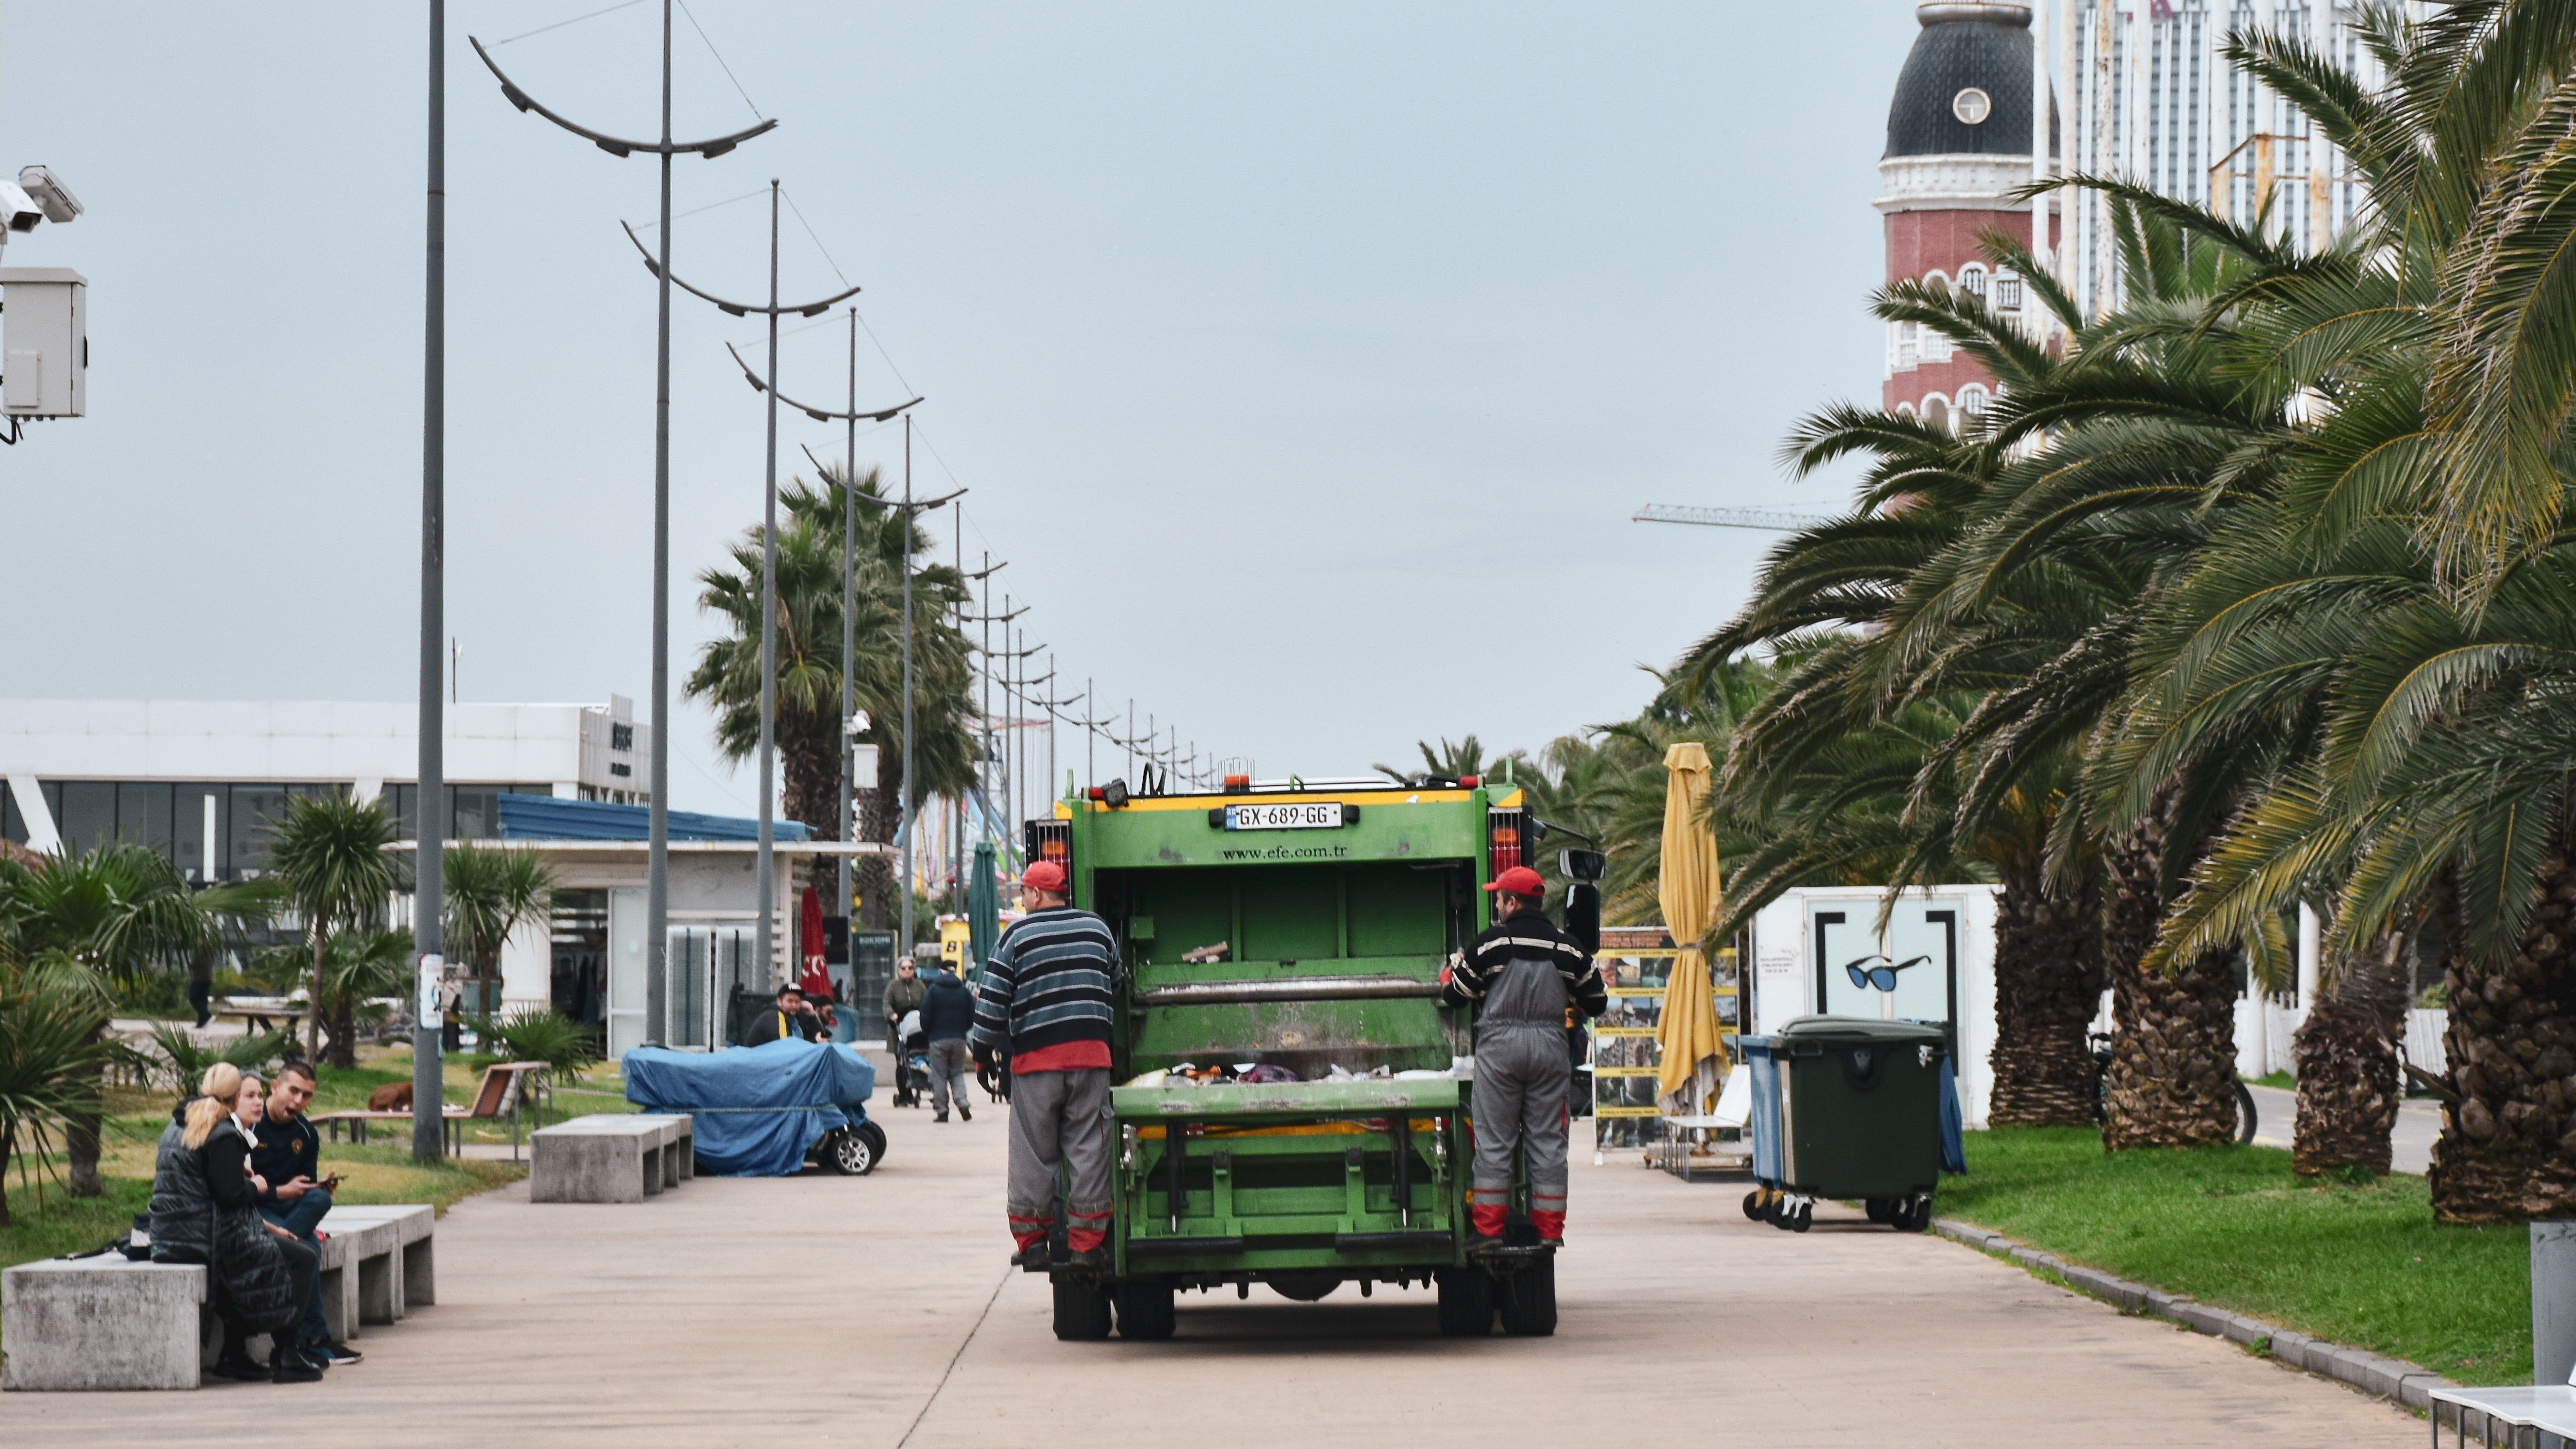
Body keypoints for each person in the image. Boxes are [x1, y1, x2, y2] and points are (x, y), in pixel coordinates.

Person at [1440, 863, 1606, 1248]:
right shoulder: (1568, 947)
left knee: (1495, 1142)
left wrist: (1449, 976)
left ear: (1512, 902)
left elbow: (1455, 997)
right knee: (1548, 1142)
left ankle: (1489, 1232)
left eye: (1498, 898)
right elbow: (1596, 1001)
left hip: (1500, 1049)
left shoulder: (1489, 944)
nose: (1496, 904)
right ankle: (1549, 1232)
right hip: (1550, 1047)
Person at [968, 860, 1118, 1268]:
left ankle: (1033, 1244)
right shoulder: (1097, 929)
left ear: (1035, 894)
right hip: (1091, 1056)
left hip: (1036, 1063)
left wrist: (982, 1054)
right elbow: (1116, 981)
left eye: (1023, 893)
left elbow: (993, 1001)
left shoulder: (1017, 935)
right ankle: (1088, 1246)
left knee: (1034, 1153)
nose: (1022, 899)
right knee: (1089, 1147)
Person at [149, 1063, 324, 1384]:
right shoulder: (223, 1133)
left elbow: (212, 1186)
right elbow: (231, 1197)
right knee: (301, 1258)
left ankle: (234, 1353)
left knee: (266, 1254)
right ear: (233, 1098)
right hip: (206, 1237)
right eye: (251, 1094)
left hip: (172, 1234)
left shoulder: (181, 1122)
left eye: (260, 1094)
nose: (258, 1101)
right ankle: (287, 1352)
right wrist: (258, 1186)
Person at [253, 1060, 360, 1367]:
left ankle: (291, 1239)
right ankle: (315, 1339)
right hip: (258, 1209)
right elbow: (237, 1189)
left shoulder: (307, 1134)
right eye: (294, 1091)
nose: (299, 1101)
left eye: (308, 1096)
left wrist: (317, 1187)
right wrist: (278, 1191)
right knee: (309, 1249)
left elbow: (304, 1186)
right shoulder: (250, 1126)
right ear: (275, 1087)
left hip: (290, 1212)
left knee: (320, 1201)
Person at [917, 960, 977, 1123]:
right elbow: (973, 1014)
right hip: (959, 1039)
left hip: (938, 1039)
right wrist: (963, 1029)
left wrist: (928, 1031)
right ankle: (963, 1102)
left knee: (940, 1075)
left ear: (940, 971)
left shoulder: (933, 991)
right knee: (957, 1072)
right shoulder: (964, 991)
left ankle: (942, 1111)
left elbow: (925, 1015)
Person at [739, 983, 829, 1046]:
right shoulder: (775, 1016)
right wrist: (815, 1042)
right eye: (790, 1001)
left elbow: (821, 1037)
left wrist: (812, 1016)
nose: (794, 1005)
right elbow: (784, 1047)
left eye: (797, 1002)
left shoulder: (797, 1018)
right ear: (779, 1002)